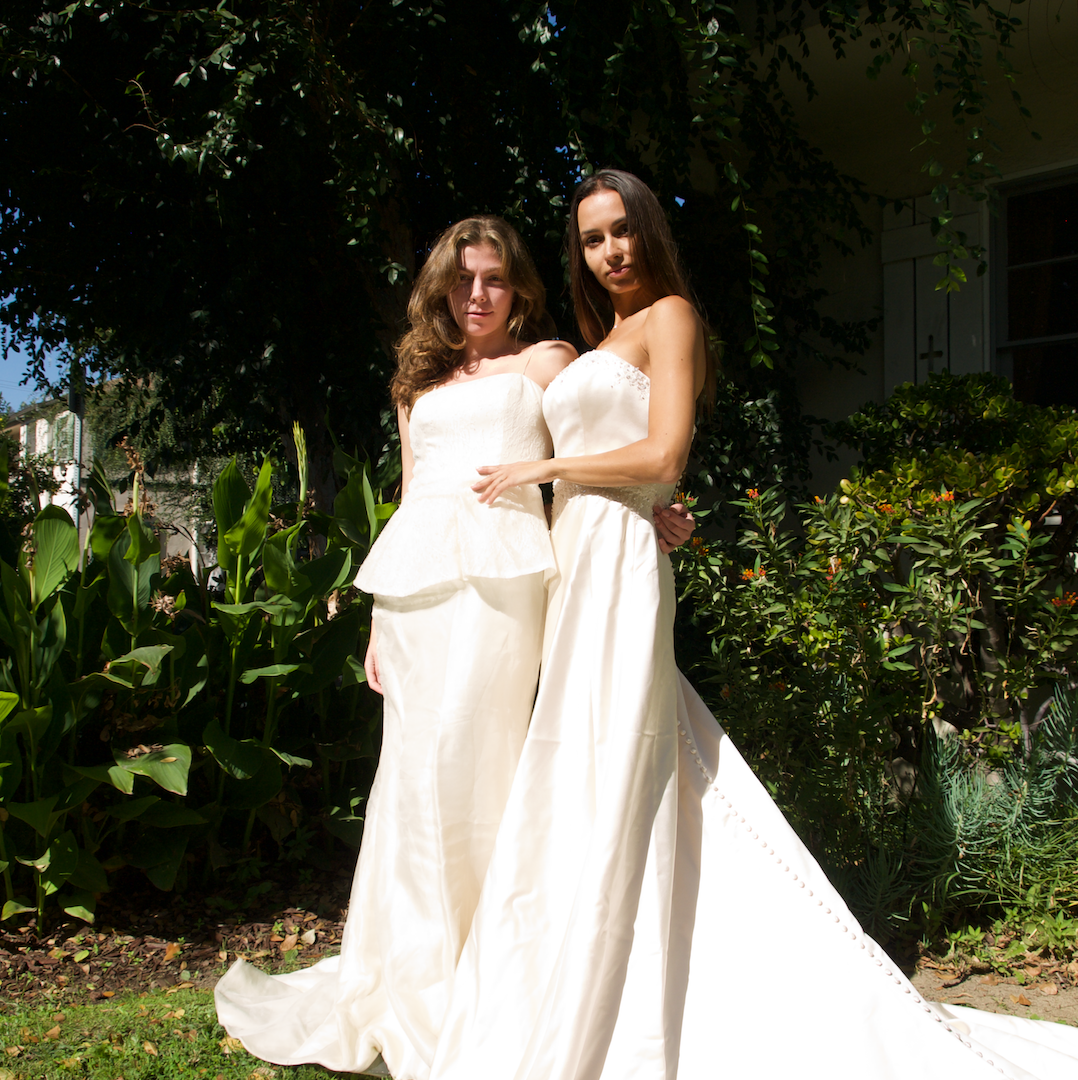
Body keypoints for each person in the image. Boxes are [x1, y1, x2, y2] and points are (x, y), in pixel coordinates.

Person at [426, 171, 1078, 1080]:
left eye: (621, 231)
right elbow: (636, 471)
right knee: (580, 756)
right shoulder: (595, 339)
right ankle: (564, 956)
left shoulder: (672, 318)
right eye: (590, 239)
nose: (610, 251)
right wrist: (624, 496)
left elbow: (663, 451)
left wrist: (560, 469)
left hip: (620, 569)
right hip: (580, 559)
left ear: (648, 231)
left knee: (619, 753)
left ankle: (630, 982)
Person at [214, 215, 693, 1078]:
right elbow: (408, 495)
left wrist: (653, 502)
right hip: (415, 593)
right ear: (440, 288)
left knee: (481, 766)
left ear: (519, 290)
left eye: (495, 280)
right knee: (411, 776)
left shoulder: (548, 362)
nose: (478, 295)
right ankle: (407, 976)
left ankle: (485, 977)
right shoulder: (413, 385)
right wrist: (375, 621)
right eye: (463, 281)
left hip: (505, 583)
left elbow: (594, 440)